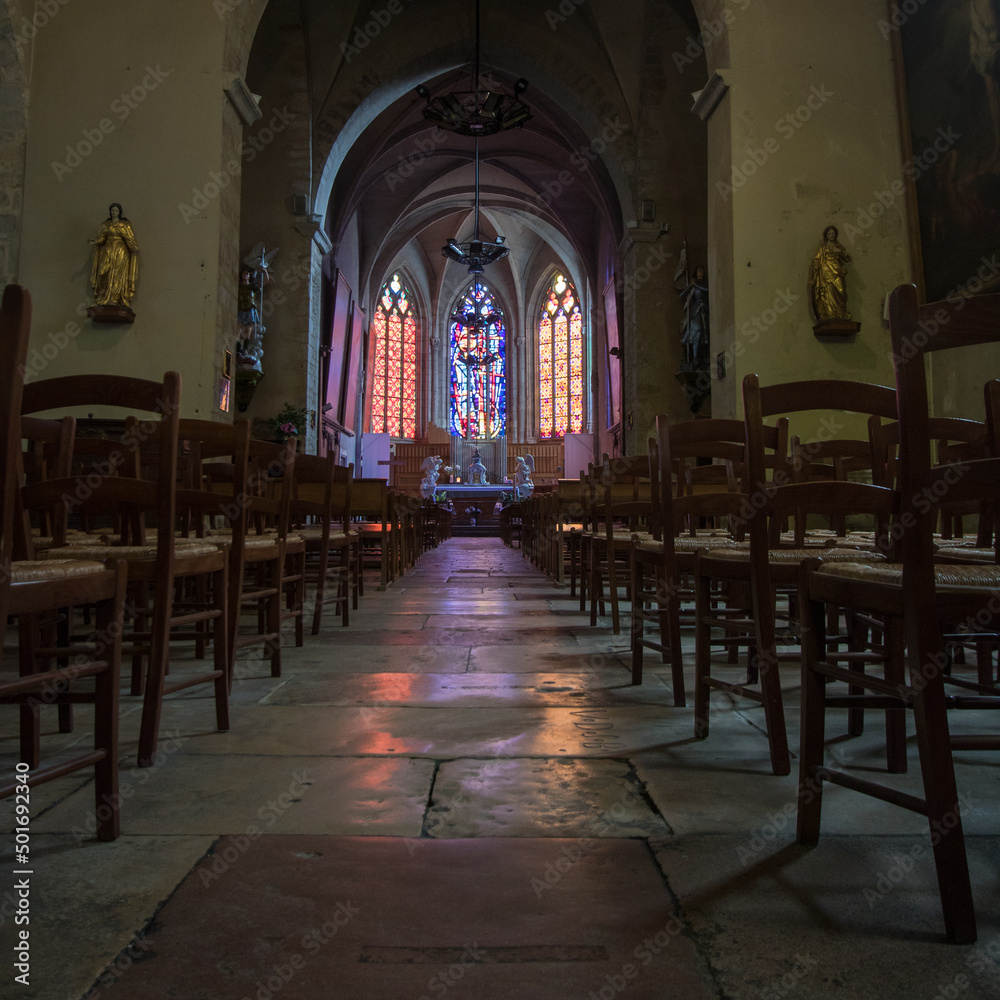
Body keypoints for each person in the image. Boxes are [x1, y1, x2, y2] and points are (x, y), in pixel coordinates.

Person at [90, 203, 139, 307]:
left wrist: (133, 248)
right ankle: (104, 297)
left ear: (119, 212)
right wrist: (96, 241)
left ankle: (117, 299)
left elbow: (129, 238)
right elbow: (102, 238)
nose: (114, 212)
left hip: (121, 252)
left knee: (118, 274)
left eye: (116, 211)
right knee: (105, 273)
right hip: (107, 252)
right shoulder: (105, 224)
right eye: (113, 210)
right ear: (110, 211)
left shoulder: (125, 225)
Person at [809, 225, 852, 322]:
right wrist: (816, 267)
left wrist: (840, 252)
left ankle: (840, 313)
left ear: (836, 235)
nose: (831, 235)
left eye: (833, 234)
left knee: (840, 290)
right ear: (826, 235)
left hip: (837, 270)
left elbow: (847, 258)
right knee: (827, 292)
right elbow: (816, 260)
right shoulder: (823, 248)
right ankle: (828, 313)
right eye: (829, 234)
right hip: (825, 271)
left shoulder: (839, 246)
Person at [674, 245, 709, 366]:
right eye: (699, 270)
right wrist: (691, 286)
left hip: (704, 309)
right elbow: (683, 294)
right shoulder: (694, 285)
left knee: (705, 335)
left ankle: (701, 358)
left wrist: (696, 285)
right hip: (696, 311)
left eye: (702, 270)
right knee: (696, 332)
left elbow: (706, 289)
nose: (701, 272)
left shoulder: (703, 283)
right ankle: (694, 357)